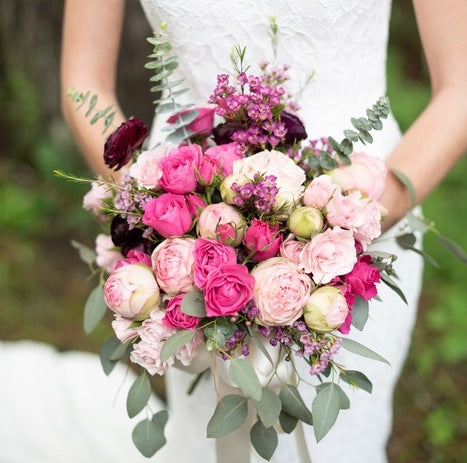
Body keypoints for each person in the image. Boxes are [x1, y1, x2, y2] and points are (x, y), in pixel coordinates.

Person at [60, 0, 467, 462]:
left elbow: (460, 88)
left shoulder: (356, 226)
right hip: (189, 228)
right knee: (212, 433)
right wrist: (153, 210)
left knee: (339, 441)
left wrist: (343, 229)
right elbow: (83, 81)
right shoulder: (176, 236)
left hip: (365, 219)